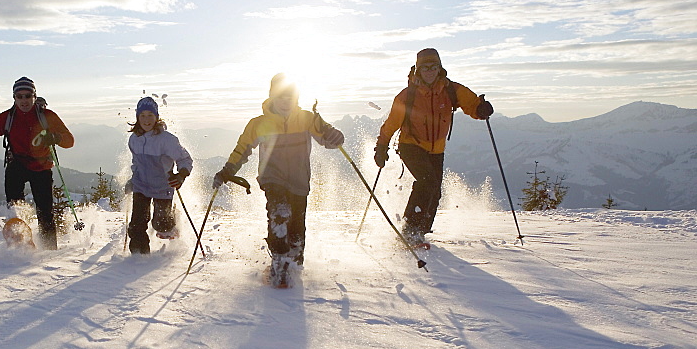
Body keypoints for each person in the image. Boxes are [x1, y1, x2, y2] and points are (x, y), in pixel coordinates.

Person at [212, 73, 344, 286]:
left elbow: (328, 139)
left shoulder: (307, 119)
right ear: (272, 97)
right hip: (272, 177)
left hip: (300, 180)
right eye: (281, 96)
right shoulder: (259, 124)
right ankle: (279, 262)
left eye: (290, 96)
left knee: (296, 230)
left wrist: (336, 137)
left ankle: (294, 264)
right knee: (279, 213)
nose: (286, 101)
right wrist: (228, 170)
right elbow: (242, 149)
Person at [374, 49, 493, 246]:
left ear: (439, 68)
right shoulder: (407, 96)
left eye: (433, 67)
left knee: (435, 190)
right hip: (410, 145)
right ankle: (409, 232)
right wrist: (381, 146)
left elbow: (471, 104)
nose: (429, 71)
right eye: (425, 67)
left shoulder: (451, 90)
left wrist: (481, 109)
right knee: (427, 182)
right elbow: (391, 124)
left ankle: (420, 232)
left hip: (436, 149)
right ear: (418, 70)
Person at [0, 77, 74, 249]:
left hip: (42, 167)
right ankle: (19, 247)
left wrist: (56, 137)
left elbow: (70, 140)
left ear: (34, 96)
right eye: (19, 96)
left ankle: (49, 252)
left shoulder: (47, 116)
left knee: (45, 213)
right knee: (15, 210)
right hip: (17, 165)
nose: (24, 100)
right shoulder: (7, 117)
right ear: (14, 98)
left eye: (27, 95)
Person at [125, 96, 193, 254]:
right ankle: (138, 260)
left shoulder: (166, 140)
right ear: (137, 117)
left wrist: (181, 174)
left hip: (163, 186)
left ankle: (172, 221)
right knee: (136, 225)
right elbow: (137, 163)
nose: (146, 120)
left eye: (150, 115)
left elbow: (185, 159)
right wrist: (132, 180)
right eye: (142, 115)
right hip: (141, 185)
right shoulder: (134, 139)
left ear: (156, 117)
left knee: (161, 226)